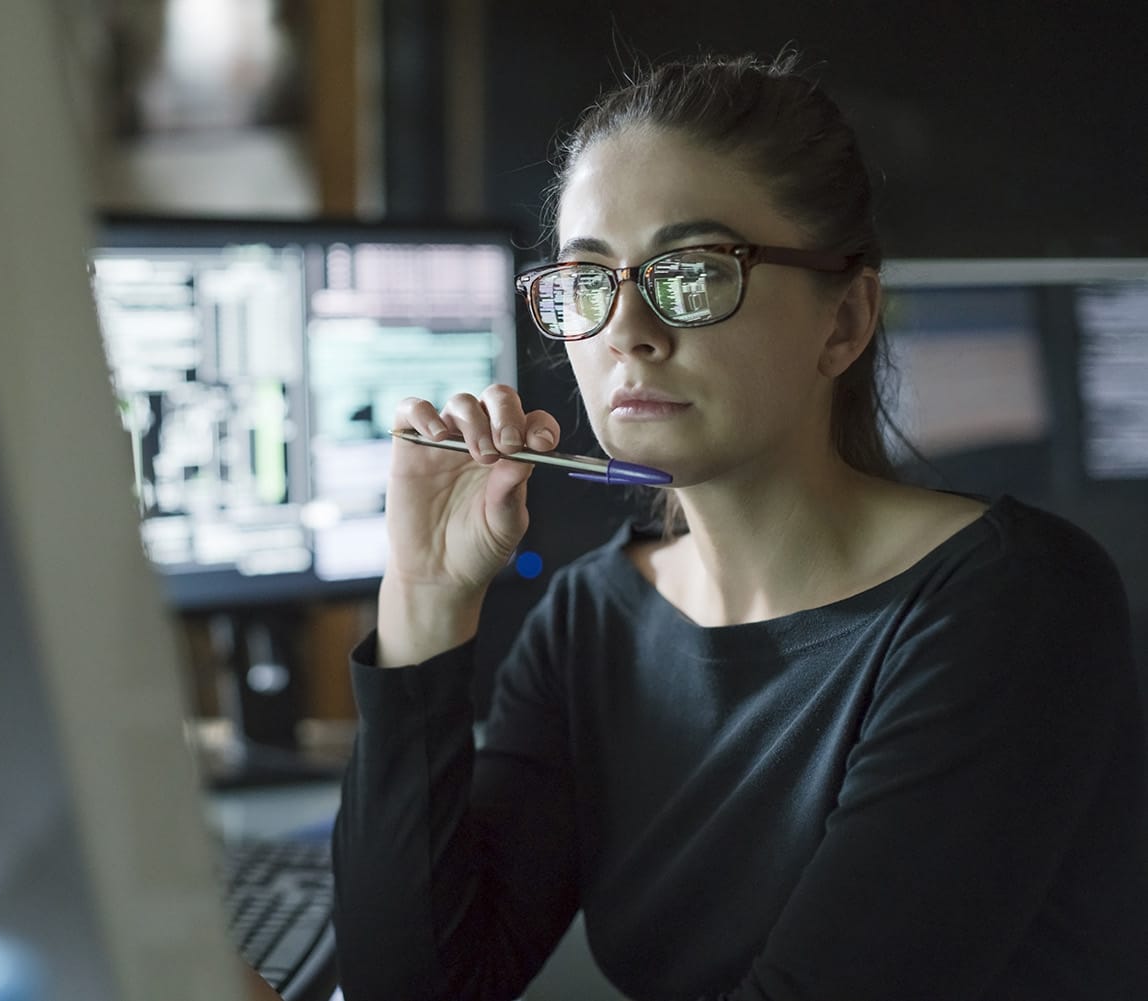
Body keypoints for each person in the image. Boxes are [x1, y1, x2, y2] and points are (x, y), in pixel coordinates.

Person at [330, 52, 1148, 1001]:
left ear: (844, 320)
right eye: (587, 281)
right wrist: (425, 599)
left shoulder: (1014, 604)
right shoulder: (591, 621)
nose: (627, 327)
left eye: (693, 272)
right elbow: (416, 989)